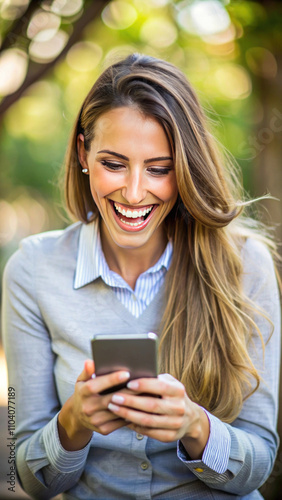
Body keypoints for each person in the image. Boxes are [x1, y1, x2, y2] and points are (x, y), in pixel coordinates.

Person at [2, 53, 281, 500]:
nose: (134, 192)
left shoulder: (246, 265)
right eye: (114, 164)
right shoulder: (32, 270)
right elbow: (25, 478)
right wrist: (74, 422)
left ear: (186, 167)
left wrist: (196, 425)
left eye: (159, 169)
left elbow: (261, 462)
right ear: (82, 154)